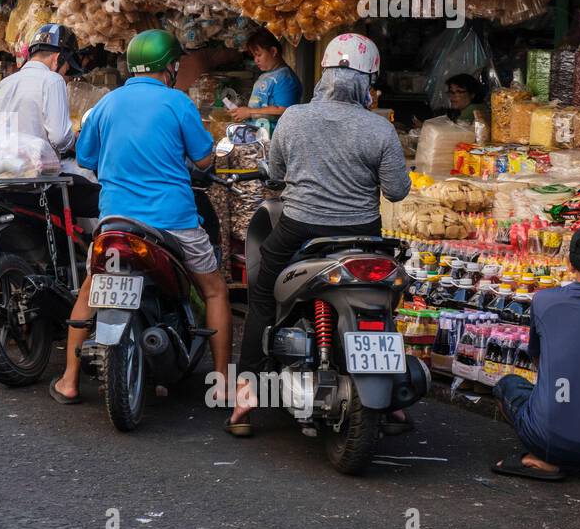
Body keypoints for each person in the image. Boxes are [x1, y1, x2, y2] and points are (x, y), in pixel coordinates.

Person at [228, 33, 412, 435]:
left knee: (260, 292)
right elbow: (397, 190)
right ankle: (395, 396)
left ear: (324, 75)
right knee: (382, 304)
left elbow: (275, 177)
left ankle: (245, 395)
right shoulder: (379, 129)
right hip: (364, 236)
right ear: (368, 81)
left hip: (300, 230)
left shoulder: (293, 117)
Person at [50, 29, 232, 405]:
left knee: (89, 288)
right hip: (173, 222)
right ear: (170, 67)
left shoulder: (105, 104)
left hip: (115, 222)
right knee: (214, 289)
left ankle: (68, 379)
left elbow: (85, 158)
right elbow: (203, 160)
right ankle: (224, 384)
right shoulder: (177, 103)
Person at [492, 223, 580, 482]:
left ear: (570, 265)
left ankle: (543, 460)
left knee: (508, 384)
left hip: (547, 437)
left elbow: (539, 360)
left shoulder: (544, 301)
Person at [0, 24, 81, 160]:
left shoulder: (2, 85)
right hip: (37, 175)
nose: (65, 75)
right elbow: (60, 138)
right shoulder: (53, 80)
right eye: (66, 69)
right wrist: (73, 139)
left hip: (3, 170)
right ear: (58, 59)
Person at [229, 28, 301, 131]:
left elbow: (284, 110)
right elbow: (260, 105)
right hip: (257, 135)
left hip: (273, 139)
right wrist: (240, 109)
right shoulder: (265, 76)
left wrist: (249, 112)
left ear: (273, 51)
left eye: (259, 55)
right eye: (254, 56)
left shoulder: (285, 78)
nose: (256, 60)